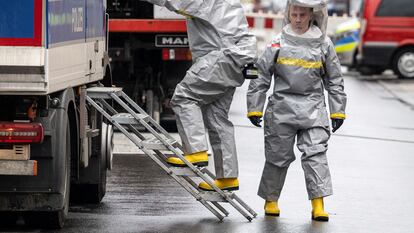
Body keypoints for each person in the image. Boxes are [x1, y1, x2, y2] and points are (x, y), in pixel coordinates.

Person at [246, 0, 346, 221]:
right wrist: (254, 107)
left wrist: (337, 111)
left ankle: (318, 205)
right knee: (276, 156)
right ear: (288, 15)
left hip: (313, 109)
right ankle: (271, 200)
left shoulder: (323, 44)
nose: (298, 19)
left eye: (303, 15)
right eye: (295, 14)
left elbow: (335, 79)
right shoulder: (277, 43)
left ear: (312, 15)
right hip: (282, 108)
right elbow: (262, 75)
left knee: (316, 155)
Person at [145, 0, 257, 191]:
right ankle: (227, 177)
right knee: (217, 118)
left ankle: (195, 151)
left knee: (183, 97)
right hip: (235, 58)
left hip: (222, 57)